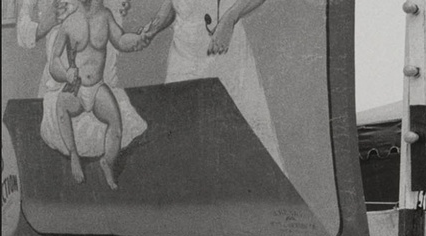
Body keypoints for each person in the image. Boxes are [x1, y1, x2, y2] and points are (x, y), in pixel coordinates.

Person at [138, 0, 282, 168]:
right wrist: (156, 25)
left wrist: (230, 18)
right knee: (180, 139)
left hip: (223, 47)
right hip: (184, 53)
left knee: (245, 140)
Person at [48, 0, 149, 189]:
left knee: (117, 127)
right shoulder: (69, 23)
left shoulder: (105, 17)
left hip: (97, 87)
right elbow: (53, 61)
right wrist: (65, 73)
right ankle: (74, 156)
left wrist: (136, 40)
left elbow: (120, 40)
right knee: (61, 105)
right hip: (77, 87)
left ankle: (107, 163)